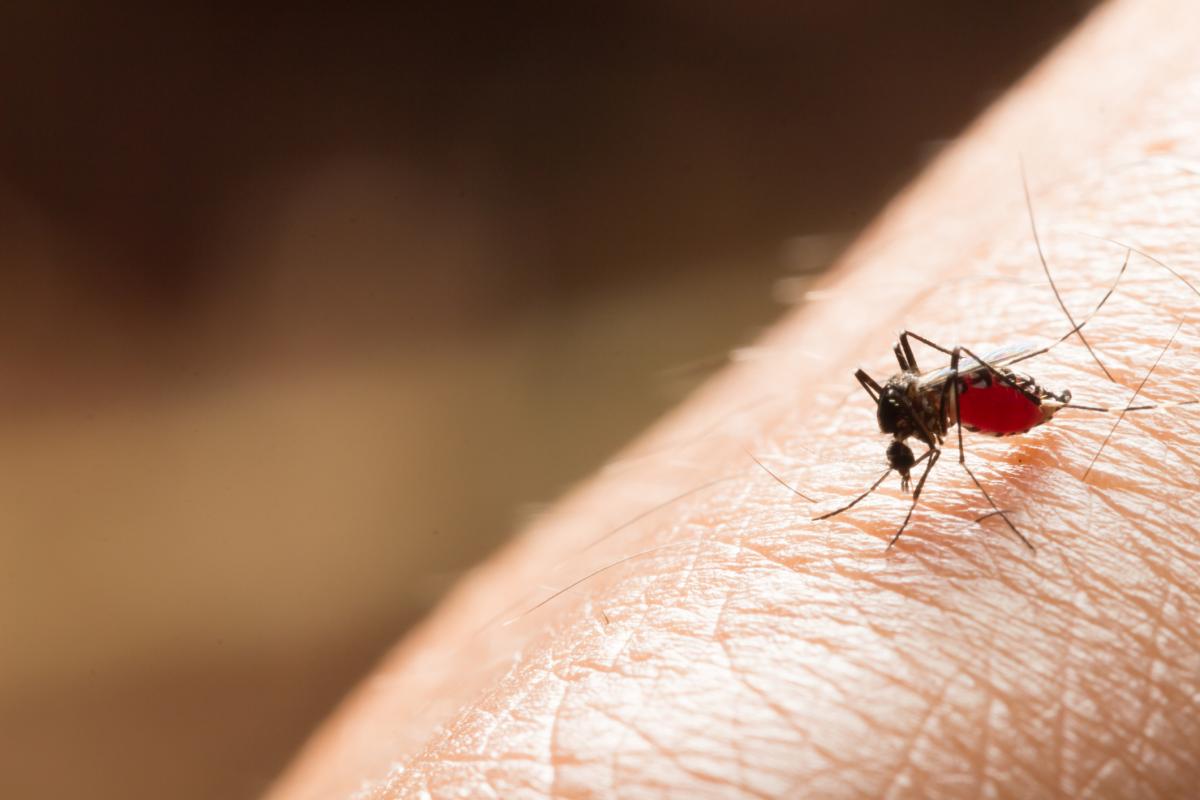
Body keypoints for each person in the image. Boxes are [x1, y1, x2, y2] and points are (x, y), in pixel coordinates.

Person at [270, 1, 1200, 795]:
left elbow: (942, 379)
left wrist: (966, 414)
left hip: (980, 389)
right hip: (971, 390)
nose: (903, 447)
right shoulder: (910, 408)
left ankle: (1031, 398)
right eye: (908, 441)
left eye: (904, 441)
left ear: (906, 427)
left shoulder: (931, 405)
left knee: (946, 374)